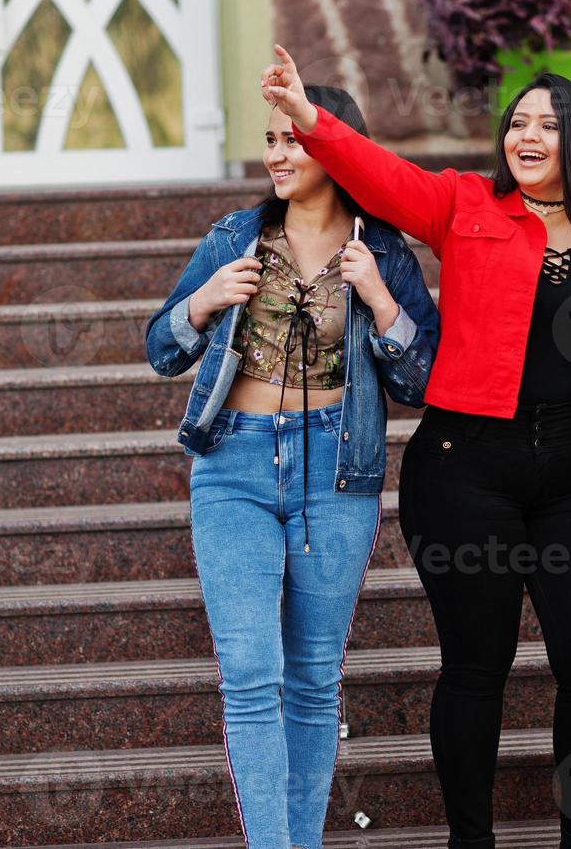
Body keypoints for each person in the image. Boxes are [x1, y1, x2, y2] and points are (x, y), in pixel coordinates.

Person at [262, 44, 571, 849]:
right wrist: (307, 117)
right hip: (466, 471)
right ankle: (469, 840)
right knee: (477, 667)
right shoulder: (465, 205)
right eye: (517, 122)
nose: (526, 135)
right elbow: (379, 175)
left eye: (546, 123)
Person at [143, 84, 439, 849]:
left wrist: (380, 304)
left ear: (337, 146)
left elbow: (420, 382)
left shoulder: (382, 255)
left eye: (293, 140)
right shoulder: (234, 236)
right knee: (249, 675)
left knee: (311, 682)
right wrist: (204, 300)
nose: (275, 153)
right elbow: (160, 349)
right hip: (233, 464)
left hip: (336, 471)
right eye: (270, 139)